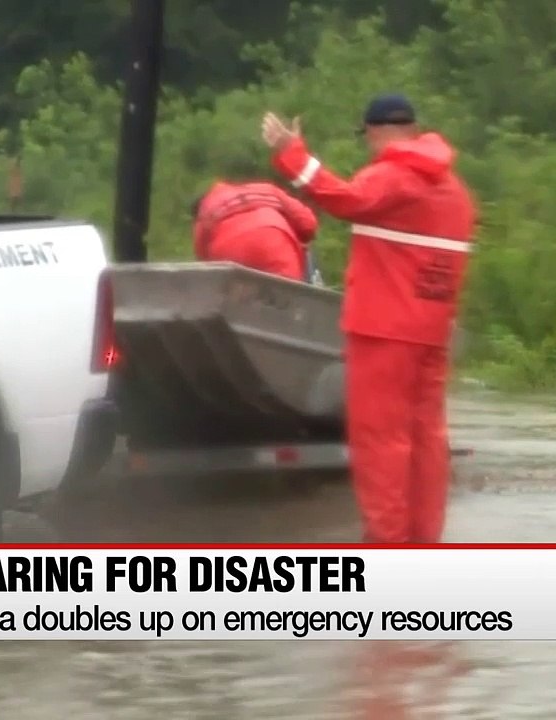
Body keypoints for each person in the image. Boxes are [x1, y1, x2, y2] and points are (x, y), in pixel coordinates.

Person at [260, 93, 477, 544]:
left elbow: (343, 197)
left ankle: (386, 550)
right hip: (433, 332)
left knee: (381, 442)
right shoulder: (454, 191)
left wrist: (289, 152)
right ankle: (423, 545)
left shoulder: (394, 177)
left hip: (383, 331)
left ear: (375, 132)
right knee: (426, 441)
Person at [190, 165, 318, 282]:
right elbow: (309, 223)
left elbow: (204, 260)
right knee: (287, 298)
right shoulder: (266, 188)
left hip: (231, 259)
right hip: (275, 244)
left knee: (240, 302)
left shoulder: (205, 210)